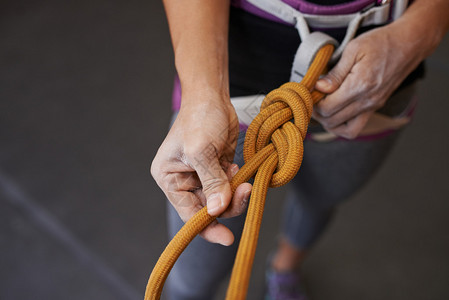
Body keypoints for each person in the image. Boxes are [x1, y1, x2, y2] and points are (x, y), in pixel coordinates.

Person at [150, 0, 449, 299]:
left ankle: (284, 268)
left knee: (320, 199)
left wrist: (419, 33)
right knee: (194, 266)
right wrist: (203, 91)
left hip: (377, 70)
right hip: (229, 70)